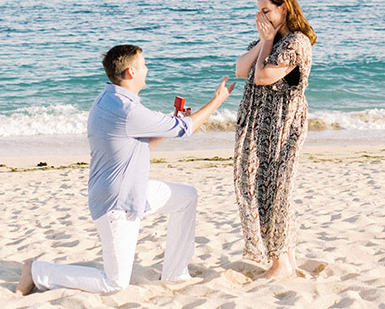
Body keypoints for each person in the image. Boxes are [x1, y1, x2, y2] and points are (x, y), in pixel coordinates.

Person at [16, 44, 234, 295]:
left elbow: (142, 142)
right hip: (117, 203)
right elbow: (184, 129)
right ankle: (36, 270)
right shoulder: (127, 110)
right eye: (143, 65)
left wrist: (167, 126)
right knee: (115, 283)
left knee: (186, 197)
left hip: (132, 190)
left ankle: (175, 273)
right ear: (131, 72)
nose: (147, 69)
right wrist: (218, 100)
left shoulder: (109, 99)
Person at [233, 0, 316, 280]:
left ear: (284, 8)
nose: (261, 16)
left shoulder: (297, 42)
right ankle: (287, 261)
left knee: (275, 192)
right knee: (258, 187)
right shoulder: (269, 39)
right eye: (258, 10)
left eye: (266, 10)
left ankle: (280, 263)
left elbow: (262, 76)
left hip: (281, 125)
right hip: (258, 123)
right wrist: (263, 42)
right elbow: (241, 70)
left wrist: (267, 44)